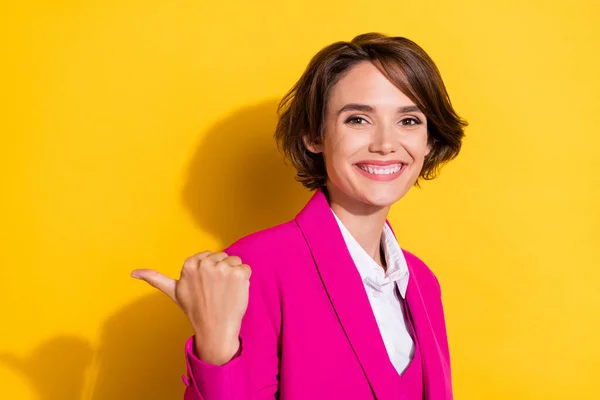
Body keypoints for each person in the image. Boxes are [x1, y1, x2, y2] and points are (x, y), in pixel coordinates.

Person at [132, 32, 467, 400]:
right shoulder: (255, 266)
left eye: (408, 121)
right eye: (357, 119)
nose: (386, 143)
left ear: (430, 140)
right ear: (314, 135)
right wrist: (215, 347)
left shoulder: (422, 282)